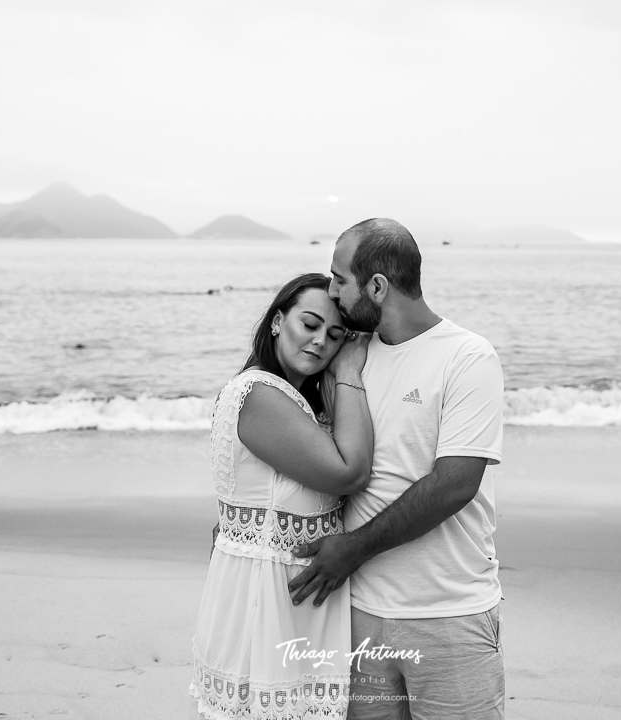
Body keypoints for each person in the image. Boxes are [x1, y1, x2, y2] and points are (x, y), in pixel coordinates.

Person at [289, 219, 506, 719]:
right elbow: (301, 437)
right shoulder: (348, 356)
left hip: (448, 615)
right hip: (357, 615)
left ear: (377, 287)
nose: (332, 292)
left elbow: (455, 485)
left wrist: (354, 548)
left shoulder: (467, 357)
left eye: (340, 279)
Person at [190, 272, 374, 720]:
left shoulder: (296, 398)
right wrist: (350, 371)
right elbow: (349, 472)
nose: (320, 341)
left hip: (293, 594)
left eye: (335, 335)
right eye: (309, 324)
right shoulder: (258, 393)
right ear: (277, 322)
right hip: (268, 599)